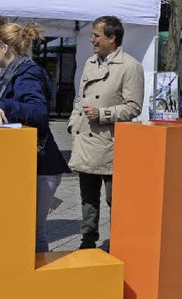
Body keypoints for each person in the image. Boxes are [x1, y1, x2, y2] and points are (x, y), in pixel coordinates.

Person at [0, 23, 70, 252]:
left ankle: (39, 282)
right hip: (31, 164)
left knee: (34, 231)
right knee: (26, 229)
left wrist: (5, 105)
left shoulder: (27, 73)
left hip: (42, 166)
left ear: (5, 48)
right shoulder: (13, 73)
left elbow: (38, 112)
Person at [66, 16, 144, 250]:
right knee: (88, 199)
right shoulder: (90, 63)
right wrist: (73, 123)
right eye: (92, 35)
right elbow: (79, 99)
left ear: (112, 38)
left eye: (96, 36)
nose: (92, 40)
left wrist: (103, 114)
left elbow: (134, 107)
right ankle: (87, 242)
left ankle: (122, 242)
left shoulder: (130, 67)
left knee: (115, 200)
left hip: (111, 144)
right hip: (86, 139)